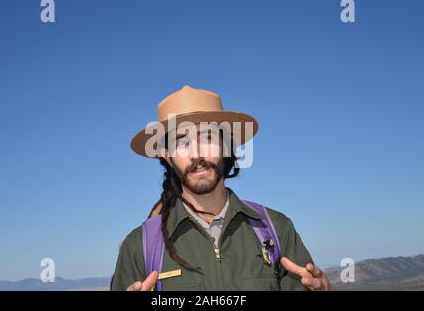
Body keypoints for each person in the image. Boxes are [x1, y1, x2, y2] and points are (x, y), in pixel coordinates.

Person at [111, 85, 332, 291]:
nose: (196, 153)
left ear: (226, 146)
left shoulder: (276, 229)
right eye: (181, 141)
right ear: (167, 157)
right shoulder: (139, 248)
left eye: (207, 136)